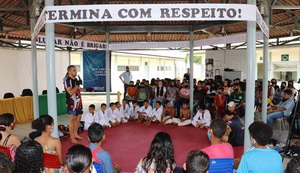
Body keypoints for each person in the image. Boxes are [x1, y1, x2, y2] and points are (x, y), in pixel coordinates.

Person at [64, 65, 83, 143]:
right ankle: (72, 137)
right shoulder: (67, 80)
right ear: (69, 71)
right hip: (71, 102)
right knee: (72, 119)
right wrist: (77, 84)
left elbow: (78, 89)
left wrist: (88, 89)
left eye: (76, 70)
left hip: (78, 101)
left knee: (78, 118)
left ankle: (75, 134)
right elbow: (71, 92)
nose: (75, 72)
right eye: (74, 70)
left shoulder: (75, 79)